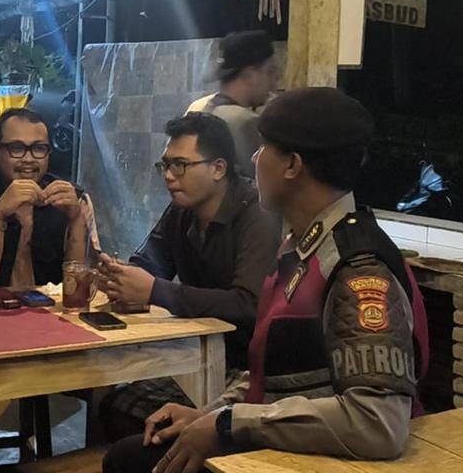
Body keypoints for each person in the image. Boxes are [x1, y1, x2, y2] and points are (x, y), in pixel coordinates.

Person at [103, 88, 429, 473]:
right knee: (133, 446)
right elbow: (269, 375)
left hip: (324, 460)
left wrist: (229, 424)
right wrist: (210, 415)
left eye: (263, 149)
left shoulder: (357, 267)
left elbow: (377, 424)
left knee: (130, 461)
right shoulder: (301, 246)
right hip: (278, 439)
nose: (255, 160)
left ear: (292, 164)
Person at [96, 113, 278, 440]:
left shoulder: (257, 215)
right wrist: (119, 276)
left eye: (180, 165)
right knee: (114, 403)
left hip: (246, 368)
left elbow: (249, 304)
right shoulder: (181, 210)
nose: (168, 176)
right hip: (194, 352)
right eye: (165, 165)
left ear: (218, 168)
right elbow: (149, 263)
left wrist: (154, 291)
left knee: (126, 411)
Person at [0, 108, 98, 290]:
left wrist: (76, 219)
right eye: (17, 148)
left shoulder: (73, 198)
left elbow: (82, 284)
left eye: (39, 148)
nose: (28, 159)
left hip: (51, 304)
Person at [186, 31, 279, 177]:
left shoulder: (199, 108)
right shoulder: (243, 121)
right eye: (270, 72)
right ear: (251, 75)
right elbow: (264, 180)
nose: (273, 83)